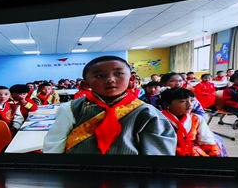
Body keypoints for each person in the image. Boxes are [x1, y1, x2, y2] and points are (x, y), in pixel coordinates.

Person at [43, 56, 176, 155]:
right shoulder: (71, 109)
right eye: (99, 75)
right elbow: (54, 145)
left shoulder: (148, 113)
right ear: (85, 84)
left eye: (118, 73)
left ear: (132, 80)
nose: (111, 79)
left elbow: (159, 154)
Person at [159, 88, 220, 157]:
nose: (189, 104)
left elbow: (206, 140)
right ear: (166, 104)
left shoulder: (197, 119)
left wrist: (214, 154)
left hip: (192, 151)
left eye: (191, 100)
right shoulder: (158, 119)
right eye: (183, 101)